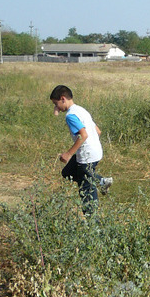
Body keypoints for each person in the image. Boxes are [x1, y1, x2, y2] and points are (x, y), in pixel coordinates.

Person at [50, 85, 112, 215]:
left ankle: (92, 222)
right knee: (68, 172)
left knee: (87, 189)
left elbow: (83, 135)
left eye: (56, 104)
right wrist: (57, 110)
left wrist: (68, 153)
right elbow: (98, 131)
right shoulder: (81, 110)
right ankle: (101, 181)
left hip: (87, 156)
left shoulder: (70, 116)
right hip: (95, 151)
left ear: (62, 99)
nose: (56, 107)